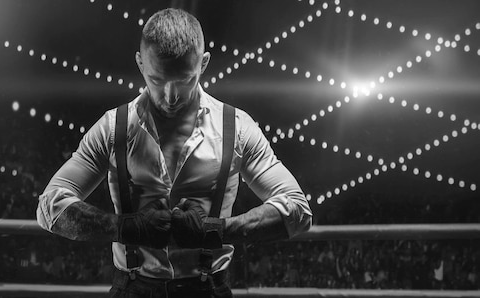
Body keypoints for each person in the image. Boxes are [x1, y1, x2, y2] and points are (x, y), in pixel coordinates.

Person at [37, 8, 312, 297]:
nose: (170, 97)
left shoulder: (237, 128)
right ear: (140, 63)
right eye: (156, 80)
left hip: (208, 289)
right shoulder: (113, 127)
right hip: (133, 288)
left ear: (203, 64)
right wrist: (126, 228)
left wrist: (217, 231)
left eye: (184, 81)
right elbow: (49, 207)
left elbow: (298, 210)